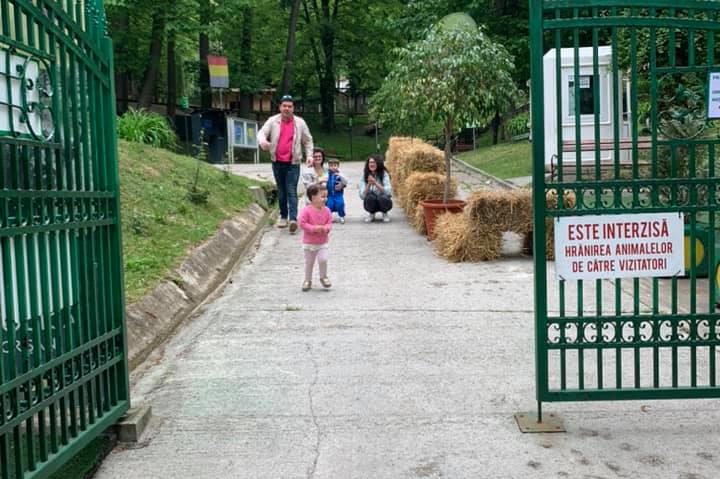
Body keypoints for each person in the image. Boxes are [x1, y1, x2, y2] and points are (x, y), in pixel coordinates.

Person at [257, 94, 313, 234]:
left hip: (293, 163)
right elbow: (261, 133)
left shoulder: (300, 123)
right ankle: (283, 216)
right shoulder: (273, 121)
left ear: (293, 108)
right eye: (284, 106)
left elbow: (307, 140)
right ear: (280, 107)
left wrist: (310, 155)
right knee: (281, 191)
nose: (287, 108)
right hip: (277, 162)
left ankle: (293, 219)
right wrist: (263, 141)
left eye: (289, 106)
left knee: (291, 190)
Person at [298, 183, 332, 291]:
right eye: (322, 196)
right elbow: (302, 223)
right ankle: (307, 280)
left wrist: (325, 228)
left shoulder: (327, 210)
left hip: (322, 242)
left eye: (326, 196)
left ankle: (323, 277)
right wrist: (313, 228)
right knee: (309, 262)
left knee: (323, 259)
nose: (325, 199)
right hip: (309, 242)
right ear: (313, 198)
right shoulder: (306, 210)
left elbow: (329, 223)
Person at [358, 154, 392, 223]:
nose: (372, 164)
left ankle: (385, 213)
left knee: (382, 197)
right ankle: (371, 213)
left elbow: (388, 192)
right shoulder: (364, 175)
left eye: (374, 162)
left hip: (383, 201)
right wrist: (369, 184)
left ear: (378, 163)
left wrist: (375, 183)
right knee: (369, 197)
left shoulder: (384, 174)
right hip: (371, 201)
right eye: (370, 162)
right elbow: (362, 196)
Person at [325, 158, 348, 224]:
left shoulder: (340, 174)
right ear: (329, 167)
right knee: (329, 205)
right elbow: (324, 180)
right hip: (330, 194)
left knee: (340, 204)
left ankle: (342, 216)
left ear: (338, 166)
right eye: (331, 166)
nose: (333, 167)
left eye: (335, 165)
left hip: (338, 194)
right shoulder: (327, 174)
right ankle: (329, 217)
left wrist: (340, 176)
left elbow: (345, 181)